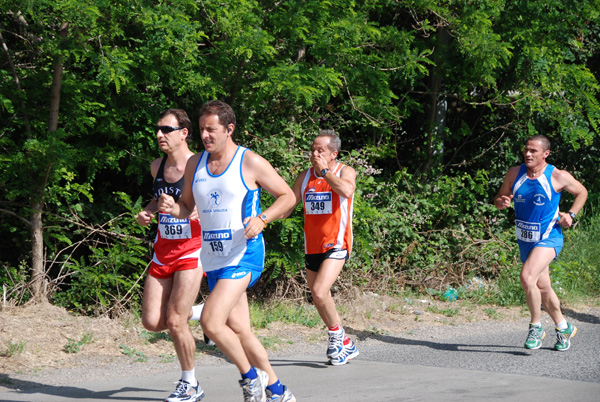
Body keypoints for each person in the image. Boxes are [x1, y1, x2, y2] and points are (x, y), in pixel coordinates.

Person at [158, 100, 296, 402]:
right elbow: (187, 208)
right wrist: (172, 207)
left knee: (210, 321)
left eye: (212, 130)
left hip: (244, 253)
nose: (205, 136)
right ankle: (277, 389)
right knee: (241, 331)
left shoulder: (250, 161)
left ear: (229, 129)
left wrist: (263, 218)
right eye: (203, 129)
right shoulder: (196, 164)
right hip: (213, 257)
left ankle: (250, 380)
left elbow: (288, 196)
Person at [494, 134, 588, 351]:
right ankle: (563, 327)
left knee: (527, 278)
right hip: (526, 239)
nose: (528, 154)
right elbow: (500, 198)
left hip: (549, 237)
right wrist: (502, 202)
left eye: (533, 151)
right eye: (526, 150)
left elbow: (582, 192)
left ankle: (536, 327)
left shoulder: (557, 176)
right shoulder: (514, 173)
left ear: (545, 154)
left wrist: (571, 215)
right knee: (543, 288)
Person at [137, 109, 205, 402]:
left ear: (184, 133)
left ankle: (190, 384)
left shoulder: (200, 166)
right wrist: (148, 212)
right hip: (163, 251)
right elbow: (157, 196)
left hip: (192, 250)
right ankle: (202, 312)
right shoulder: (157, 166)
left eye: (166, 129)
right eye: (158, 129)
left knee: (176, 320)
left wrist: (187, 210)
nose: (159, 135)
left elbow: (210, 204)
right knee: (152, 322)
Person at [286, 130, 359, 365]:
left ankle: (336, 336)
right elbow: (288, 206)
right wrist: (262, 217)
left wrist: (325, 172)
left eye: (321, 150)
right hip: (313, 245)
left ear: (333, 154)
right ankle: (345, 342)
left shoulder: (344, 171)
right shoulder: (305, 177)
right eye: (313, 149)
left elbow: (347, 191)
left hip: (337, 242)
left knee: (319, 291)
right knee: (319, 296)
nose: (315, 153)